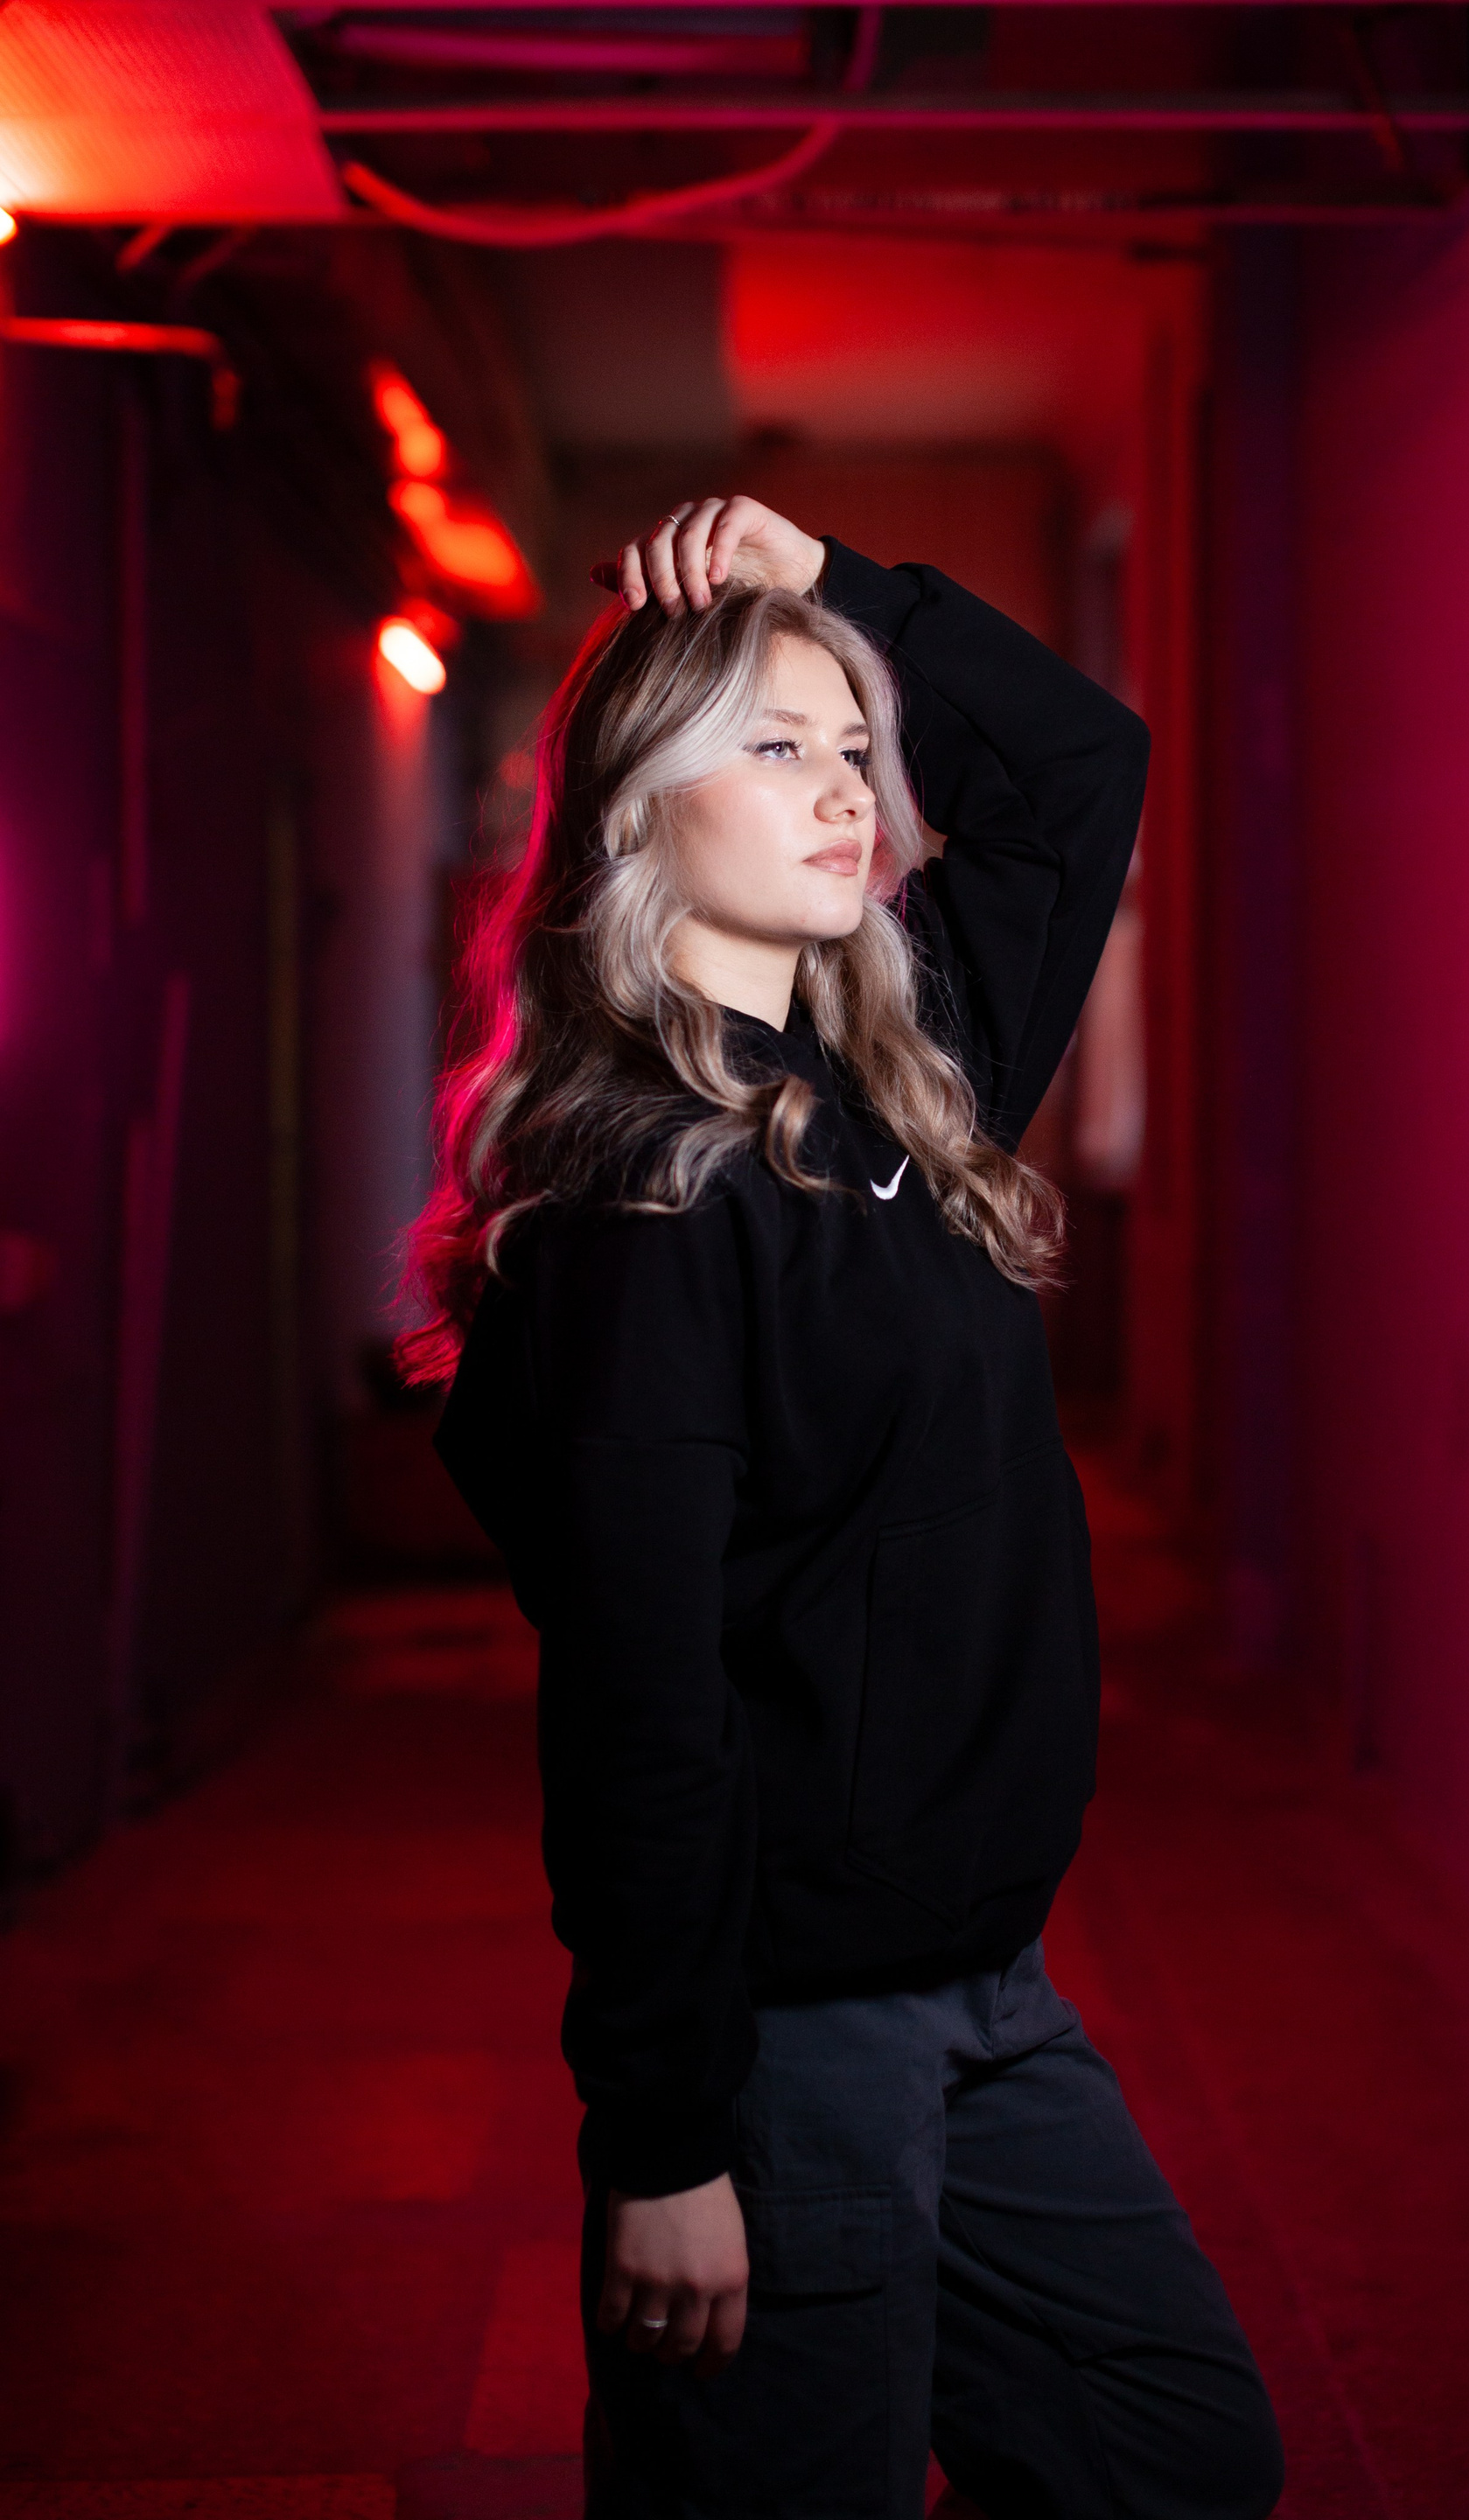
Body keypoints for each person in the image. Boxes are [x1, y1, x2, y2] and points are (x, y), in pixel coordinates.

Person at [406, 497, 1284, 2520]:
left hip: (987, 1987)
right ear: (638, 808)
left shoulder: (903, 1077)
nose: (848, 793)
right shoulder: (648, 1202)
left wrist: (827, 580)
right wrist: (662, 2134)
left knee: (1172, 2453)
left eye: (856, 744)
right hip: (788, 2032)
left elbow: (1080, 769)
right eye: (777, 745)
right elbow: (639, 1707)